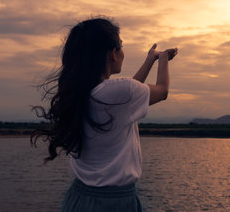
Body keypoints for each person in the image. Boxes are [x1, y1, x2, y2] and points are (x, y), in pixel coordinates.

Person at [31, 17, 178, 212]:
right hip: (114, 203)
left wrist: (150, 60)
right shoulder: (118, 92)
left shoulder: (81, 92)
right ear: (113, 54)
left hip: (78, 198)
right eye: (121, 45)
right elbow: (162, 91)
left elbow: (128, 96)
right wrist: (163, 59)